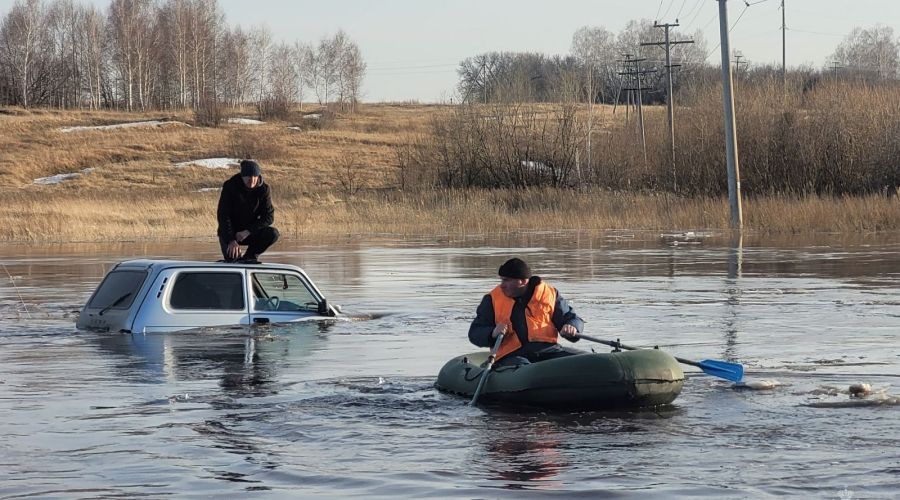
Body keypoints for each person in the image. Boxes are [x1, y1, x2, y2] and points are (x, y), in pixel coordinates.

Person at [468, 257, 584, 366]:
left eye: (506, 280)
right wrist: (492, 333)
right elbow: (475, 332)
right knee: (523, 366)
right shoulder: (492, 299)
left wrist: (572, 326)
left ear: (523, 282)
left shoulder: (549, 294)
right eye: (502, 280)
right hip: (511, 356)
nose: (502, 285)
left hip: (548, 352)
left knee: (582, 360)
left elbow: (570, 317)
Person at [217, 159, 279, 263]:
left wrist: (248, 231)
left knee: (273, 233)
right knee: (233, 262)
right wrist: (231, 239)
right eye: (248, 177)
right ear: (242, 177)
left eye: (255, 177)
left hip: (251, 231)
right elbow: (223, 215)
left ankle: (250, 256)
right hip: (231, 232)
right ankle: (233, 258)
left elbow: (269, 216)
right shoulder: (230, 186)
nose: (252, 180)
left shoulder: (264, 189)